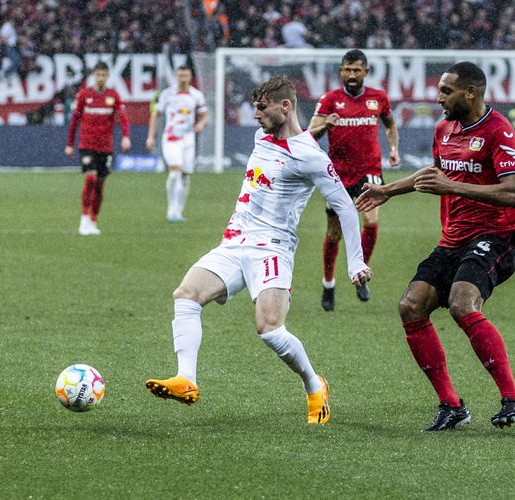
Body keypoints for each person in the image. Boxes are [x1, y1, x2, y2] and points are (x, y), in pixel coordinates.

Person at [145, 76, 372, 424]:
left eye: (262, 108)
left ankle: (314, 385)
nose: (256, 114)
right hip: (235, 242)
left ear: (286, 106)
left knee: (269, 329)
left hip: (273, 250)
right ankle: (186, 379)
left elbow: (344, 206)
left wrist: (355, 262)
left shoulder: (310, 156)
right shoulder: (260, 137)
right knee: (186, 295)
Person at [356, 62, 515, 432]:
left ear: (470, 93)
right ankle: (452, 406)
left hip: (497, 235)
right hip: (454, 238)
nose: (438, 98)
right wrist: (387, 190)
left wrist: (452, 187)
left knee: (461, 302)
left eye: (446, 91)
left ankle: (514, 401)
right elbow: (434, 175)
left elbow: (512, 192)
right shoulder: (444, 129)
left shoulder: (498, 130)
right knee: (411, 306)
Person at [308, 49, 400, 311]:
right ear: (341, 71)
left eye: (357, 70)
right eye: (347, 70)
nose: (351, 74)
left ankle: (361, 272)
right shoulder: (329, 100)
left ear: (366, 72)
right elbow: (309, 134)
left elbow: (390, 125)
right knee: (334, 232)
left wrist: (394, 149)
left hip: (369, 169)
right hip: (337, 173)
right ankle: (328, 283)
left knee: (370, 220)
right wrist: (325, 125)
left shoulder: (378, 98)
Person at [65, 62, 131, 236]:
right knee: (91, 178)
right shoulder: (84, 95)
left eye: (103, 75)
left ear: (107, 76)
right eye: (98, 74)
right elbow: (74, 121)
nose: (100, 78)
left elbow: (123, 117)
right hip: (87, 144)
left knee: (100, 185)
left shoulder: (113, 95)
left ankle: (93, 220)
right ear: (93, 76)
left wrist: (126, 136)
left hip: (105, 146)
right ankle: (84, 218)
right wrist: (69, 144)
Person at [146, 65, 209, 222]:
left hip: (188, 139)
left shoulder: (196, 95)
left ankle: (178, 211)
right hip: (171, 137)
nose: (183, 79)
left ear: (190, 77)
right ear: (176, 77)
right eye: (180, 76)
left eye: (186, 76)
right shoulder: (167, 94)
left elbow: (204, 115)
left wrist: (201, 124)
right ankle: (171, 209)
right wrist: (151, 137)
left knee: (185, 175)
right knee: (175, 171)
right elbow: (155, 114)